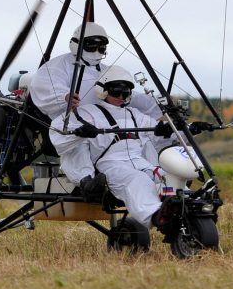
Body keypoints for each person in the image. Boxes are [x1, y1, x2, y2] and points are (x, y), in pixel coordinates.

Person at [49, 65, 169, 228]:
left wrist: (181, 129)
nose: (121, 96)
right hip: (111, 165)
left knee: (166, 176)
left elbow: (161, 135)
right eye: (116, 92)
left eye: (125, 93)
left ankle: (179, 207)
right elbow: (57, 132)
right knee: (137, 179)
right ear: (103, 91)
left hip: (140, 163)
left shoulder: (135, 114)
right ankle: (157, 217)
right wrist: (79, 132)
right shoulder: (88, 113)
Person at [28, 22, 161, 124]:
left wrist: (157, 103)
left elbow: (127, 95)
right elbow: (45, 86)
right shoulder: (58, 65)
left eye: (101, 48)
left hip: (106, 125)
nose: (96, 52)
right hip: (75, 124)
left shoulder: (106, 70)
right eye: (91, 46)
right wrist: (65, 97)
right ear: (77, 44)